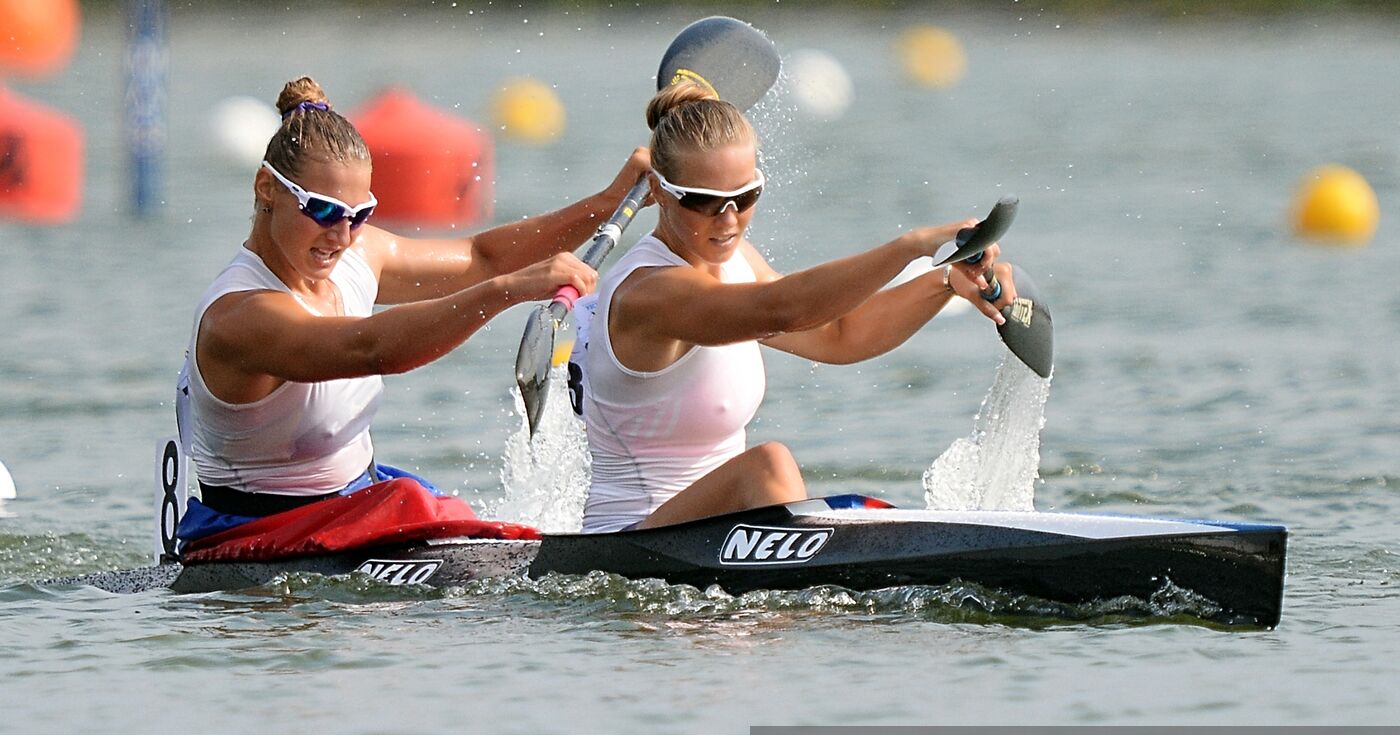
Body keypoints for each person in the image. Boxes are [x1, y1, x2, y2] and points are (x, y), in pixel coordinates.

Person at [175, 76, 648, 543]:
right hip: (258, 531)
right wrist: (506, 291)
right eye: (321, 211)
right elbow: (370, 347)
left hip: (354, 499)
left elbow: (482, 258)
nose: (341, 237)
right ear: (266, 189)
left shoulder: (357, 256)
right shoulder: (238, 317)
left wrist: (606, 204)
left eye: (358, 215)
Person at [575, 82, 1017, 534]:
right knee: (768, 465)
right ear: (659, 190)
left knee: (770, 473)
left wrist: (945, 282)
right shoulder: (648, 292)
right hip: (632, 544)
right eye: (704, 202)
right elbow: (782, 309)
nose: (728, 221)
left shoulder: (736, 262)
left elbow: (839, 334)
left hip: (717, 536)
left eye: (745, 197)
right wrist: (911, 246)